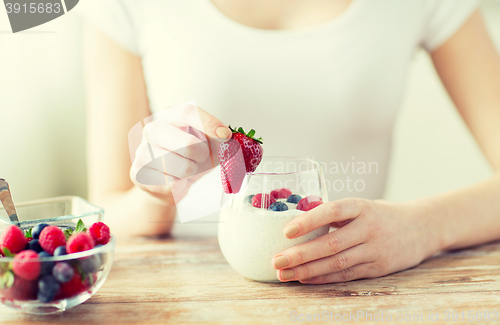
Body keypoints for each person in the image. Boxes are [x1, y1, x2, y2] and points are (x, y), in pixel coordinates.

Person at [80, 0, 500, 284]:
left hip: (356, 291)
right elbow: (108, 212)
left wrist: (422, 227)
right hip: (192, 294)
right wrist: (157, 192)